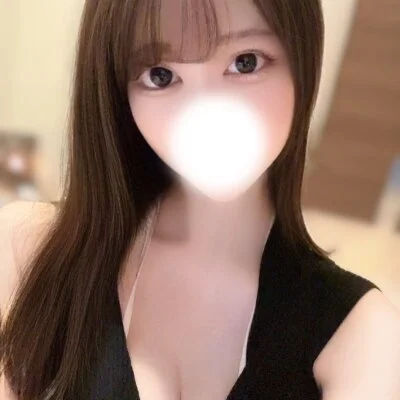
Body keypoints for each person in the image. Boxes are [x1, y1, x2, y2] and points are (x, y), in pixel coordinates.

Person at [1, 0, 400, 399]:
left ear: (302, 60)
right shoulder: (25, 249)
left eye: (246, 62)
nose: (206, 115)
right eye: (160, 75)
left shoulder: (361, 335)